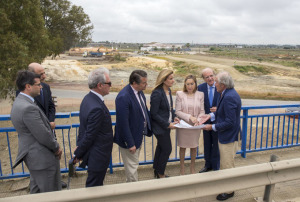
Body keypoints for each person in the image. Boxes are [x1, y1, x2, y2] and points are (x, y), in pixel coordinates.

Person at [11, 70, 62, 193]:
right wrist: (56, 148)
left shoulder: (19, 102)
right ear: (28, 86)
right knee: (50, 193)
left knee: (36, 192)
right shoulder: (28, 108)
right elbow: (43, 134)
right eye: (38, 84)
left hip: (34, 157)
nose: (41, 87)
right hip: (41, 158)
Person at [200, 71, 241, 201]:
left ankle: (229, 191)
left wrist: (211, 126)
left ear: (223, 84)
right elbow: (222, 113)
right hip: (226, 136)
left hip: (228, 137)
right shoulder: (225, 93)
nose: (214, 83)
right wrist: (210, 116)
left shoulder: (229, 97)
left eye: (216, 81)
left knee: (227, 165)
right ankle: (226, 186)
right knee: (224, 163)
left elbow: (229, 121)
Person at [25, 62, 67, 188]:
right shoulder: (24, 92)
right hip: (37, 134)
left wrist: (50, 121)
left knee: (54, 158)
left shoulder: (46, 87)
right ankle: (37, 186)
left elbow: (50, 106)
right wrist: (46, 124)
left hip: (49, 129)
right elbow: (31, 113)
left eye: (44, 72)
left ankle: (56, 181)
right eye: (41, 74)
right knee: (39, 161)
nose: (44, 75)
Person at [73, 67, 113, 187]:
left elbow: (83, 127)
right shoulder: (97, 107)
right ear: (100, 85)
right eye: (109, 83)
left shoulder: (88, 99)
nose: (111, 86)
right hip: (98, 155)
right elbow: (90, 134)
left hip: (95, 153)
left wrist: (79, 146)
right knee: (94, 186)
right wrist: (78, 153)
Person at [114, 70, 152, 182]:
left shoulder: (140, 92)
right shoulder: (123, 97)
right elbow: (123, 123)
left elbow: (143, 111)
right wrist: (130, 143)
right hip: (129, 141)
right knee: (132, 170)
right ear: (135, 83)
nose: (146, 85)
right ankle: (134, 193)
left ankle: (130, 189)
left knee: (133, 166)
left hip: (138, 136)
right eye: (144, 83)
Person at [150, 69, 179, 178]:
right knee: (167, 149)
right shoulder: (157, 93)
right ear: (163, 79)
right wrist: (167, 124)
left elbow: (170, 109)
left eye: (173, 78)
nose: (173, 81)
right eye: (171, 78)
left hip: (166, 126)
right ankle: (161, 173)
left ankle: (156, 170)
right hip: (160, 127)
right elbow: (154, 114)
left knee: (161, 148)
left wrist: (175, 118)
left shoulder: (168, 91)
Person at [175, 75, 205, 175]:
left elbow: (202, 111)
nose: (190, 86)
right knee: (182, 147)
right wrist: (189, 117)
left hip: (195, 125)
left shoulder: (201, 94)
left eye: (192, 84)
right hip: (183, 125)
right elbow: (178, 111)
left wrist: (198, 120)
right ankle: (182, 168)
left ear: (195, 84)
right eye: (188, 84)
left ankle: (192, 167)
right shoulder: (180, 94)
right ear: (185, 84)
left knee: (193, 147)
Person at [197, 68, 220, 173]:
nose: (210, 78)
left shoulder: (221, 86)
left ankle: (216, 166)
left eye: (211, 75)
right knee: (207, 143)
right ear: (204, 79)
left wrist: (218, 109)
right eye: (207, 77)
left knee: (216, 144)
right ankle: (207, 165)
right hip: (205, 121)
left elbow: (226, 103)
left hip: (218, 121)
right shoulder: (200, 88)